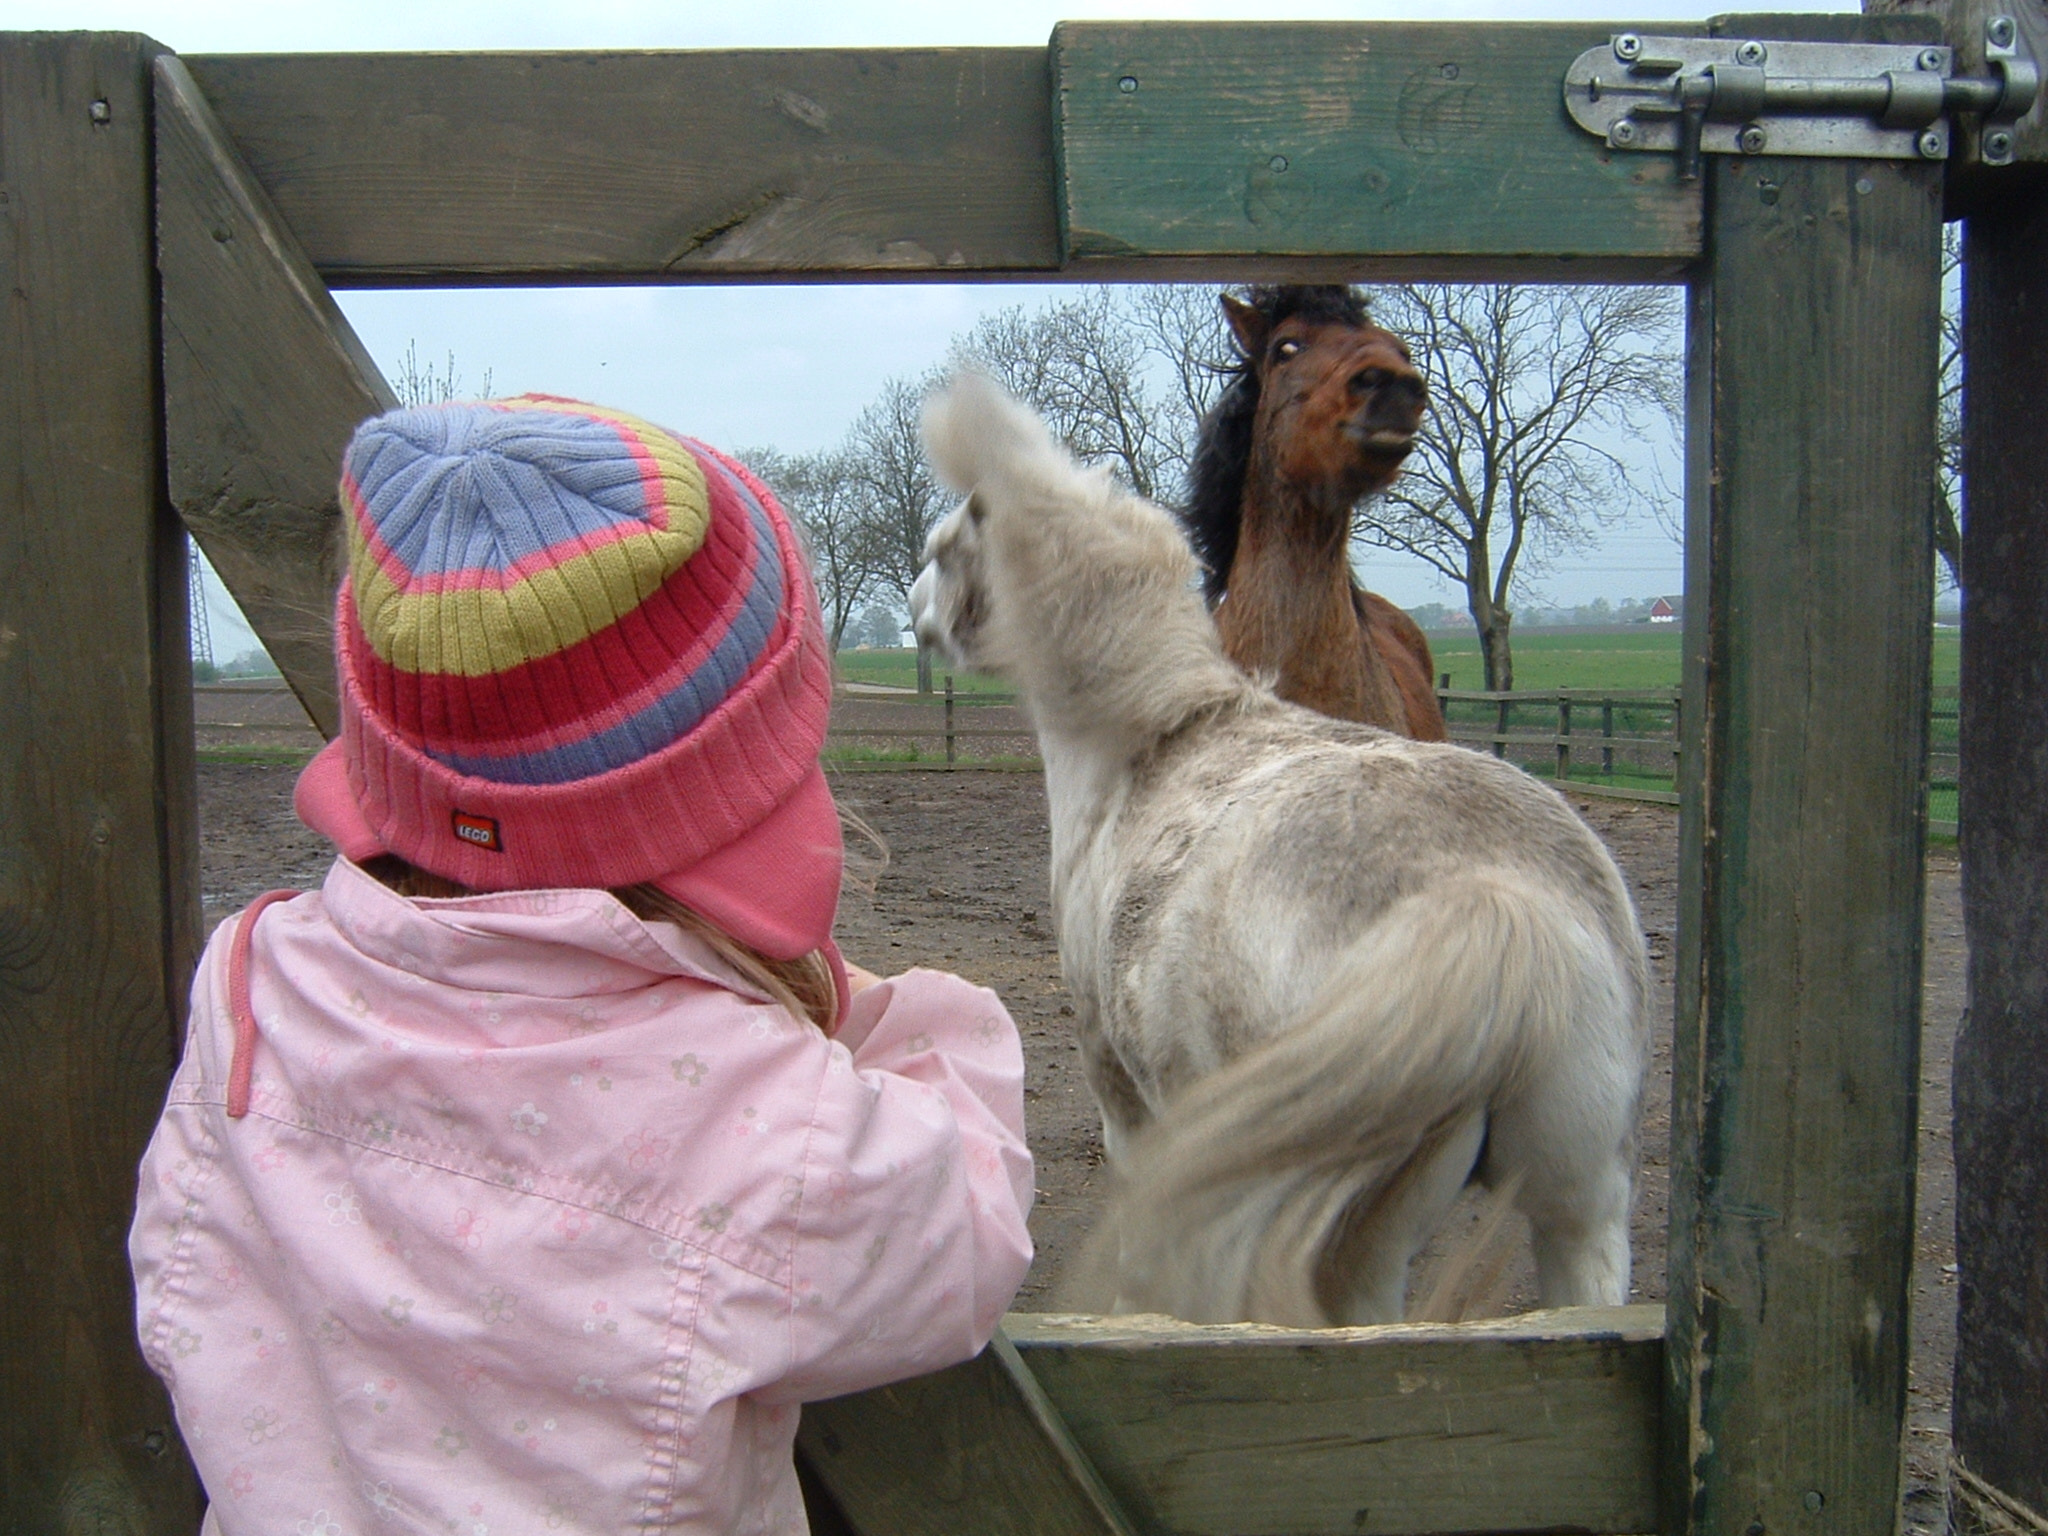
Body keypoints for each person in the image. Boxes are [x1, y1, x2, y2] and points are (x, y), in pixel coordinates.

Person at [130, 395, 1034, 1535]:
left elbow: (175, 1269)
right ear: (734, 789)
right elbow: (968, 1219)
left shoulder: (246, 992)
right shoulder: (765, 1122)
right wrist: (866, 1012)